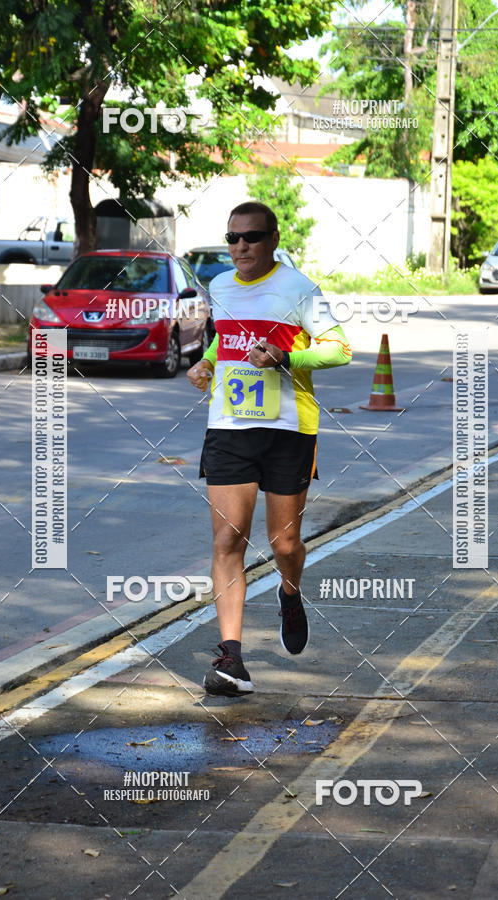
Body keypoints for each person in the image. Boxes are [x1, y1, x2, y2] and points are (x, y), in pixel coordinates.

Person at [187, 201, 351, 696]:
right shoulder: (219, 287)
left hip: (288, 431)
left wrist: (284, 356)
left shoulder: (299, 289)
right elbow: (225, 339)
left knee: (283, 544)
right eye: (233, 238)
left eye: (251, 237)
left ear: (273, 240)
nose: (240, 247)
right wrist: (207, 363)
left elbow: (340, 348)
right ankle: (231, 659)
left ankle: (289, 591)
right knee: (226, 542)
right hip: (229, 429)